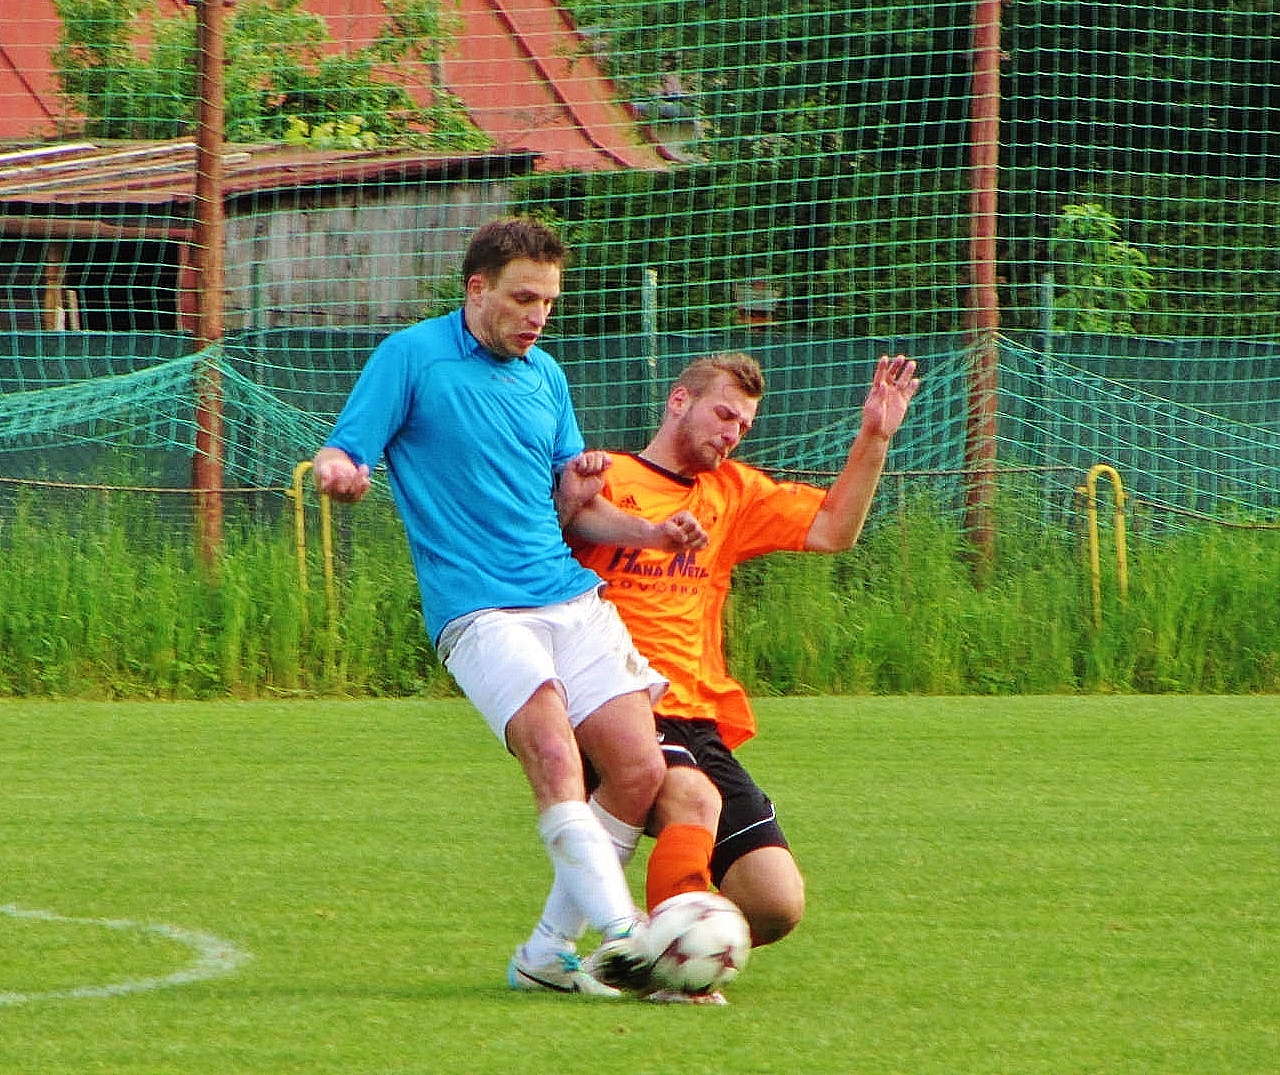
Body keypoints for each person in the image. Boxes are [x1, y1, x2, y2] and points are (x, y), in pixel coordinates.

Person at [312, 217, 708, 997]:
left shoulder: (547, 377)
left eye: (549, 302)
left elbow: (572, 507)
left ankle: (547, 954)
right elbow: (345, 447)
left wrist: (649, 530)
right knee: (556, 757)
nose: (537, 316)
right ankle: (633, 938)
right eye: (524, 298)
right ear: (476, 288)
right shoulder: (411, 357)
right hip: (478, 609)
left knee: (635, 768)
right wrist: (338, 471)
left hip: (570, 595)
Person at [566, 349, 919, 973]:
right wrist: (576, 486)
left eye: (744, 426)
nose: (732, 433)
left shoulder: (733, 493)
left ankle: (642, 951)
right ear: (680, 400)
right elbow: (555, 535)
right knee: (693, 800)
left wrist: (874, 435)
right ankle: (674, 972)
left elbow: (835, 530)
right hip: (619, 702)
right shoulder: (607, 476)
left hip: (701, 719)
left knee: (773, 902)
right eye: (724, 414)